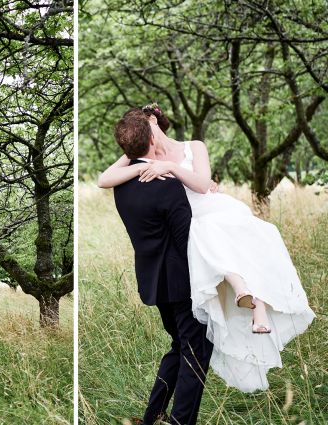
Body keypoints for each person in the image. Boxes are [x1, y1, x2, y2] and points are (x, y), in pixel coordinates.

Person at [100, 104, 315, 393]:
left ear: (155, 123)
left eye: (149, 125)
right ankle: (247, 294)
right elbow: (104, 179)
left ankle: (255, 299)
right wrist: (142, 163)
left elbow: (202, 184)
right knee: (204, 243)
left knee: (217, 236)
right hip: (186, 225)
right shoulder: (141, 153)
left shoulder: (193, 147)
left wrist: (171, 167)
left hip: (207, 211)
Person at [110, 108, 212, 425]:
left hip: (153, 279)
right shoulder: (167, 183)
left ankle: (152, 414)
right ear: (153, 137)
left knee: (179, 345)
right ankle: (180, 422)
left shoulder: (121, 186)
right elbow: (186, 240)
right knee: (197, 350)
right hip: (182, 281)